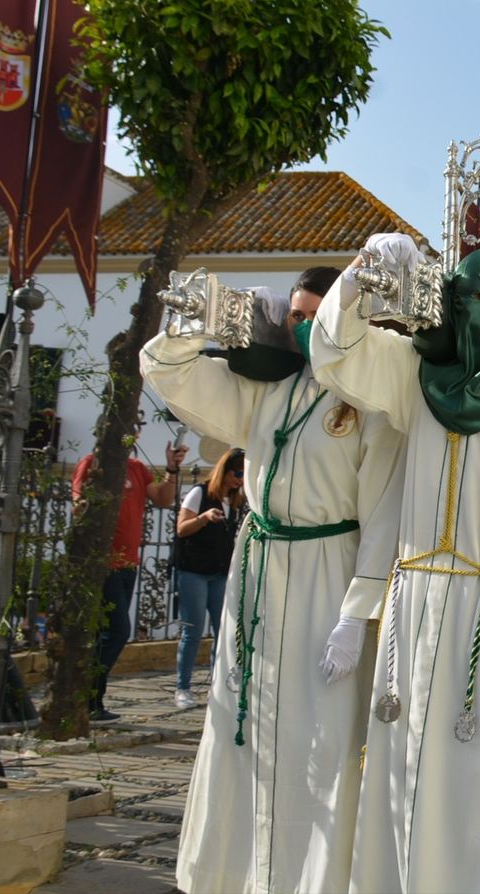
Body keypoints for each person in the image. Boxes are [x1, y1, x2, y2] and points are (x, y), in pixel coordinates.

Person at [311, 239, 480, 893]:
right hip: (416, 599)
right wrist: (362, 274)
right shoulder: (416, 374)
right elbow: (337, 351)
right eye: (460, 298)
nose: (470, 311)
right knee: (401, 763)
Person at [142, 266, 405, 894]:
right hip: (258, 568)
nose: (307, 327)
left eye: (319, 315)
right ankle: (235, 877)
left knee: (320, 735)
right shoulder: (268, 387)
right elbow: (174, 376)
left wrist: (357, 613)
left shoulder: (373, 400)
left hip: (328, 570)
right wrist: (198, 322)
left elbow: (384, 513)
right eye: (297, 316)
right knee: (242, 720)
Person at [70, 422, 187, 722]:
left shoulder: (137, 467)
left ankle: (91, 701)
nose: (131, 436)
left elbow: (162, 498)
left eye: (134, 431)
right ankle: (86, 695)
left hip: (128, 563)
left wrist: (172, 470)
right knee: (118, 631)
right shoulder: (91, 464)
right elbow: (78, 505)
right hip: (102, 563)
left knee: (106, 634)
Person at [172, 448, 244, 710]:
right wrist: (203, 518)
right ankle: (182, 688)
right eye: (237, 473)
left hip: (219, 572)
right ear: (225, 471)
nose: (240, 480)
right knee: (192, 630)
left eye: (243, 475)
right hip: (194, 571)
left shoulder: (235, 501)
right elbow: (181, 529)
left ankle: (217, 686)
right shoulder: (200, 493)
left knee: (222, 630)